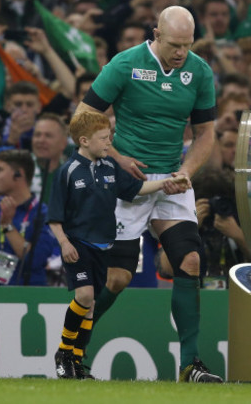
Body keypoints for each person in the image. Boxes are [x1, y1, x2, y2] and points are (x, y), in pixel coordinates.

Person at [74, 5, 221, 382]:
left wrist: (187, 171)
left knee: (189, 261)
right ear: (156, 34)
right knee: (116, 280)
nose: (180, 53)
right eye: (174, 44)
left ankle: (191, 364)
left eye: (187, 46)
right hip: (127, 182)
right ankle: (72, 352)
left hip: (172, 178)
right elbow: (82, 119)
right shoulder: (124, 65)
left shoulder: (199, 71)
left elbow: (205, 134)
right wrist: (117, 158)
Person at [48, 111, 190, 379]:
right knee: (85, 296)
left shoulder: (110, 168)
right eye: (104, 138)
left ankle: (76, 361)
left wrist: (167, 182)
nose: (108, 143)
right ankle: (64, 351)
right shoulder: (67, 172)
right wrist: (65, 243)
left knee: (90, 305)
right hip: (78, 245)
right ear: (84, 140)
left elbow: (137, 189)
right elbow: (54, 217)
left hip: (105, 246)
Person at [0, 149, 56, 286]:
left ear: (19, 174)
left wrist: (8, 226)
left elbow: (35, 260)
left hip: (28, 298)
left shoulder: (42, 213)